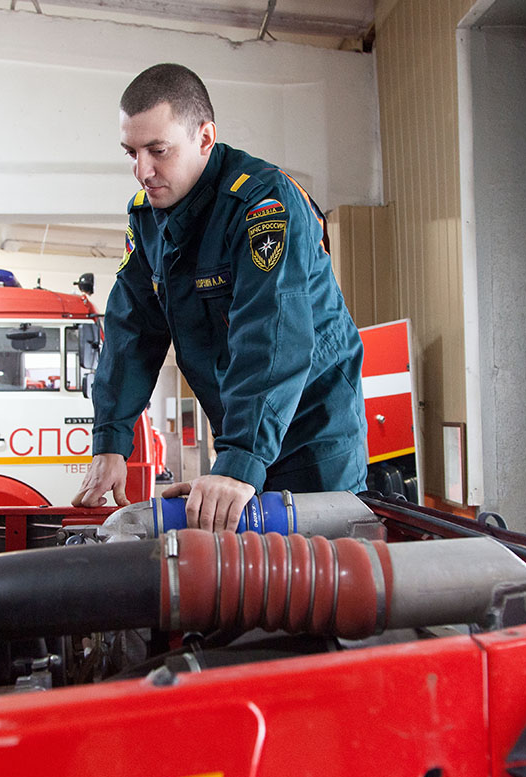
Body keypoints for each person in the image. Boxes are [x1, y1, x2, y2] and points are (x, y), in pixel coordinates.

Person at [71, 63, 367, 531]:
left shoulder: (264, 204)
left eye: (158, 150)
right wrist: (112, 439)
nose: (142, 171)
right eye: (131, 152)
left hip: (311, 440)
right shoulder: (148, 219)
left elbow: (271, 334)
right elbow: (133, 330)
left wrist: (240, 459)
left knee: (313, 583)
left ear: (205, 137)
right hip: (242, 436)